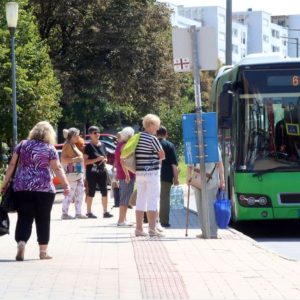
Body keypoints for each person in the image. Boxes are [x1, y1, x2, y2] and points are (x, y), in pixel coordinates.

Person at [0, 121, 70, 261]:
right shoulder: (49, 148)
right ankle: (43, 252)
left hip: (22, 187)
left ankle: (21, 242)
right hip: (44, 188)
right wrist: (66, 185)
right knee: (43, 218)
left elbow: (12, 164)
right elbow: (57, 168)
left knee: (24, 217)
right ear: (49, 134)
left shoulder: (22, 145)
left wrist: (4, 183)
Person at [135, 114, 165, 237]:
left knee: (140, 199)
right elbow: (162, 155)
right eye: (156, 125)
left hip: (139, 172)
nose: (157, 129)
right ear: (151, 125)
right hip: (152, 172)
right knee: (153, 199)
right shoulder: (153, 139)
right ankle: (152, 229)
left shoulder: (137, 137)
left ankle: (139, 229)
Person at [186, 146, 225, 239]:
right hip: (211, 180)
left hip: (197, 179)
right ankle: (210, 232)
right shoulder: (214, 146)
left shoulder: (194, 145)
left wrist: (188, 178)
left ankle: (206, 232)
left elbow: (189, 166)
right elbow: (220, 164)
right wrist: (222, 180)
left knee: (201, 207)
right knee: (209, 207)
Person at [83, 126, 113, 218]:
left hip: (102, 171)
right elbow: (85, 162)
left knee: (104, 191)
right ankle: (89, 212)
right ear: (91, 134)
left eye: (98, 132)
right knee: (91, 191)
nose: (97, 134)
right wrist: (96, 159)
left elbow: (106, 157)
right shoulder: (88, 146)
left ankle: (105, 212)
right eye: (95, 133)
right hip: (91, 172)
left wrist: (105, 160)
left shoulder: (103, 145)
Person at [61, 128, 86, 219]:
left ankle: (78, 213)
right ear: (71, 136)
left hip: (77, 174)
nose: (78, 137)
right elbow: (63, 160)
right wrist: (75, 160)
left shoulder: (73, 144)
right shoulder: (67, 145)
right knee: (70, 194)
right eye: (77, 135)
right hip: (71, 174)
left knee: (80, 193)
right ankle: (64, 214)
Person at [157, 126, 179, 227]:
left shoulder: (153, 144)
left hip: (153, 173)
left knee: (151, 197)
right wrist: (176, 179)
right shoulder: (170, 145)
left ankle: (147, 218)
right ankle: (164, 221)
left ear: (156, 134)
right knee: (164, 198)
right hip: (166, 175)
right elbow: (174, 164)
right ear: (166, 134)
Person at [114, 127, 135, 226]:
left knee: (125, 196)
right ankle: (121, 220)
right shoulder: (124, 145)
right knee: (125, 197)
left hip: (123, 174)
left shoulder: (120, 144)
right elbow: (123, 161)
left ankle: (124, 219)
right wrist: (127, 174)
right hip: (126, 174)